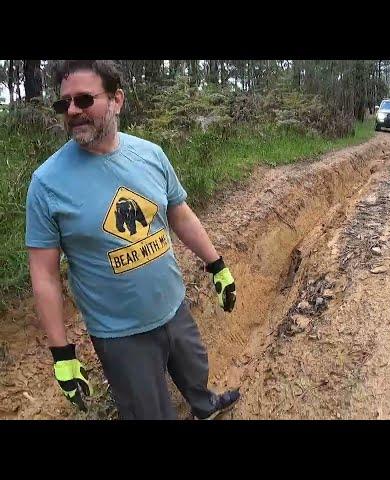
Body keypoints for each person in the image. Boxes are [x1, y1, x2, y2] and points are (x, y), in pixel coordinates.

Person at [25, 60, 239, 420]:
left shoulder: (150, 154)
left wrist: (217, 265)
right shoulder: (47, 184)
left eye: (84, 99)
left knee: (195, 369)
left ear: (116, 100)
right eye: (65, 104)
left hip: (172, 304)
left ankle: (204, 406)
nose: (73, 111)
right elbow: (44, 274)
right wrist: (61, 354)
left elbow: (179, 214)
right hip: (119, 334)